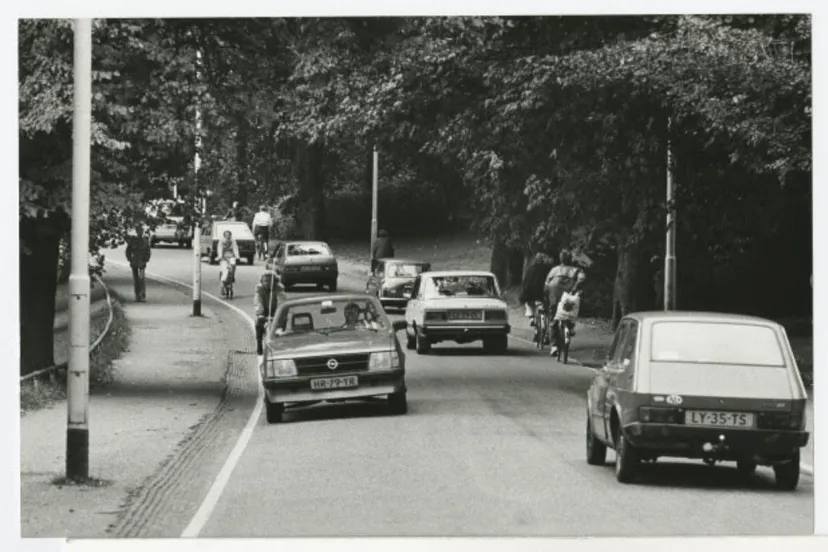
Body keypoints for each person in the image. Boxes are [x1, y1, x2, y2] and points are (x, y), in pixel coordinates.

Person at [544, 249, 586, 356]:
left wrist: (546, 295)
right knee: (571, 311)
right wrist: (576, 287)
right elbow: (582, 278)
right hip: (568, 295)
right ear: (570, 259)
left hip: (554, 295)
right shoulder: (575, 270)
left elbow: (547, 283)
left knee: (553, 318)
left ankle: (554, 346)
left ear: (560, 259)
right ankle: (570, 327)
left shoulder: (554, 270)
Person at [254, 263, 286, 357]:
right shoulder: (259, 290)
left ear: (274, 281)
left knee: (282, 326)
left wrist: (280, 313)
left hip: (276, 312)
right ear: (262, 281)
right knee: (258, 324)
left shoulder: (279, 289)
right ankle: (259, 343)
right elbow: (257, 301)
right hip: (264, 312)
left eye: (270, 281)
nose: (267, 283)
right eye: (265, 281)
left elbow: (282, 301)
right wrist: (260, 313)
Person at [519, 252, 555, 322]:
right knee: (546, 304)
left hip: (530, 294)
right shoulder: (547, 269)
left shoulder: (530, 269)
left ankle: (531, 317)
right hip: (542, 292)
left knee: (529, 305)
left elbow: (525, 282)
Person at [125, 225, 151, 302]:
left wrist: (146, 259)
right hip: (134, 263)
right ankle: (137, 296)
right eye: (138, 231)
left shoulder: (145, 241)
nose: (140, 232)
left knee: (141, 279)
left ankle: (142, 295)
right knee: (136, 280)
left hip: (142, 263)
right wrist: (129, 259)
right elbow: (128, 251)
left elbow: (148, 251)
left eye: (141, 231)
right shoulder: (133, 240)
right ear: (136, 232)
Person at [217, 230, 240, 296]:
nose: (228, 236)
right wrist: (220, 256)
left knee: (233, 265)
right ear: (224, 236)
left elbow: (235, 249)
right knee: (225, 271)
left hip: (231, 257)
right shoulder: (221, 242)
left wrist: (237, 256)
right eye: (226, 235)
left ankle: (232, 276)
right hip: (224, 258)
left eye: (229, 235)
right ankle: (222, 286)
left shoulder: (233, 241)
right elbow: (220, 249)